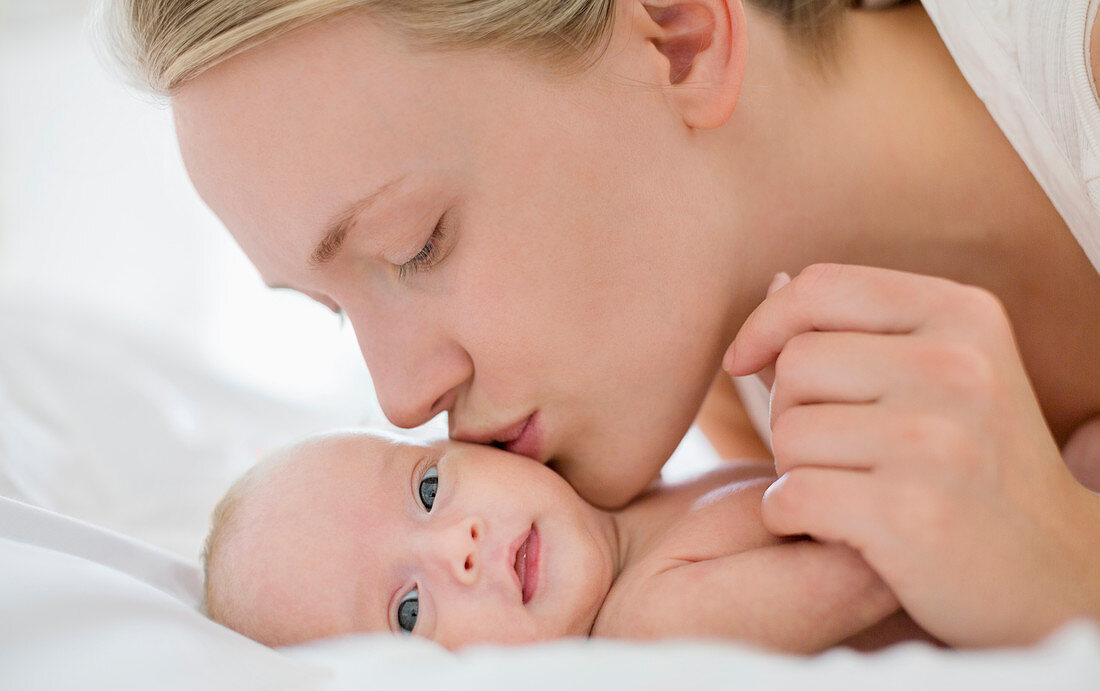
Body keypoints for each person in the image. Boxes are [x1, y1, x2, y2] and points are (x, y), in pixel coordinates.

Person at [107, 0, 1100, 648]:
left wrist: (1070, 564)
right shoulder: (732, 378)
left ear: (677, 38)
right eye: (334, 315)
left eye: (416, 246)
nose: (401, 398)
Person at [203, 429, 929, 652]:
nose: (460, 544)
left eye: (428, 488)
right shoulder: (654, 615)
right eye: (408, 610)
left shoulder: (638, 490)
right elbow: (883, 561)